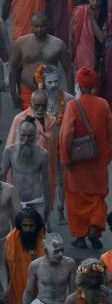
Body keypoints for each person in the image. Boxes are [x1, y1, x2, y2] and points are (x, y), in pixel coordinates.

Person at [60, 67, 112, 249]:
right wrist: (107, 156)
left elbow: (67, 134)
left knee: (76, 199)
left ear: (78, 85)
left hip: (77, 163)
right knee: (98, 197)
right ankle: (95, 227)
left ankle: (80, 236)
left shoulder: (73, 106)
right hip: (98, 162)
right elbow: (109, 135)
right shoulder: (104, 104)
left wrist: (66, 158)